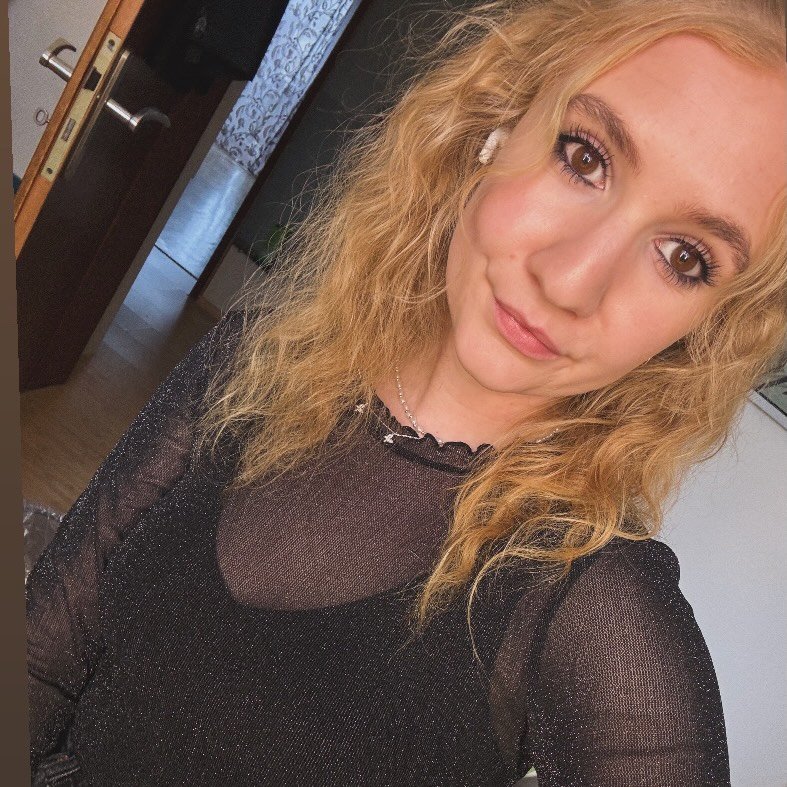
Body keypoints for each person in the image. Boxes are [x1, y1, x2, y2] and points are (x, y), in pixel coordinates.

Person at [26, 0, 786, 784]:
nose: (569, 281)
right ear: (500, 120)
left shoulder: (593, 604)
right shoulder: (261, 355)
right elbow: (40, 662)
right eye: (583, 157)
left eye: (683, 257)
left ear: (704, 325)